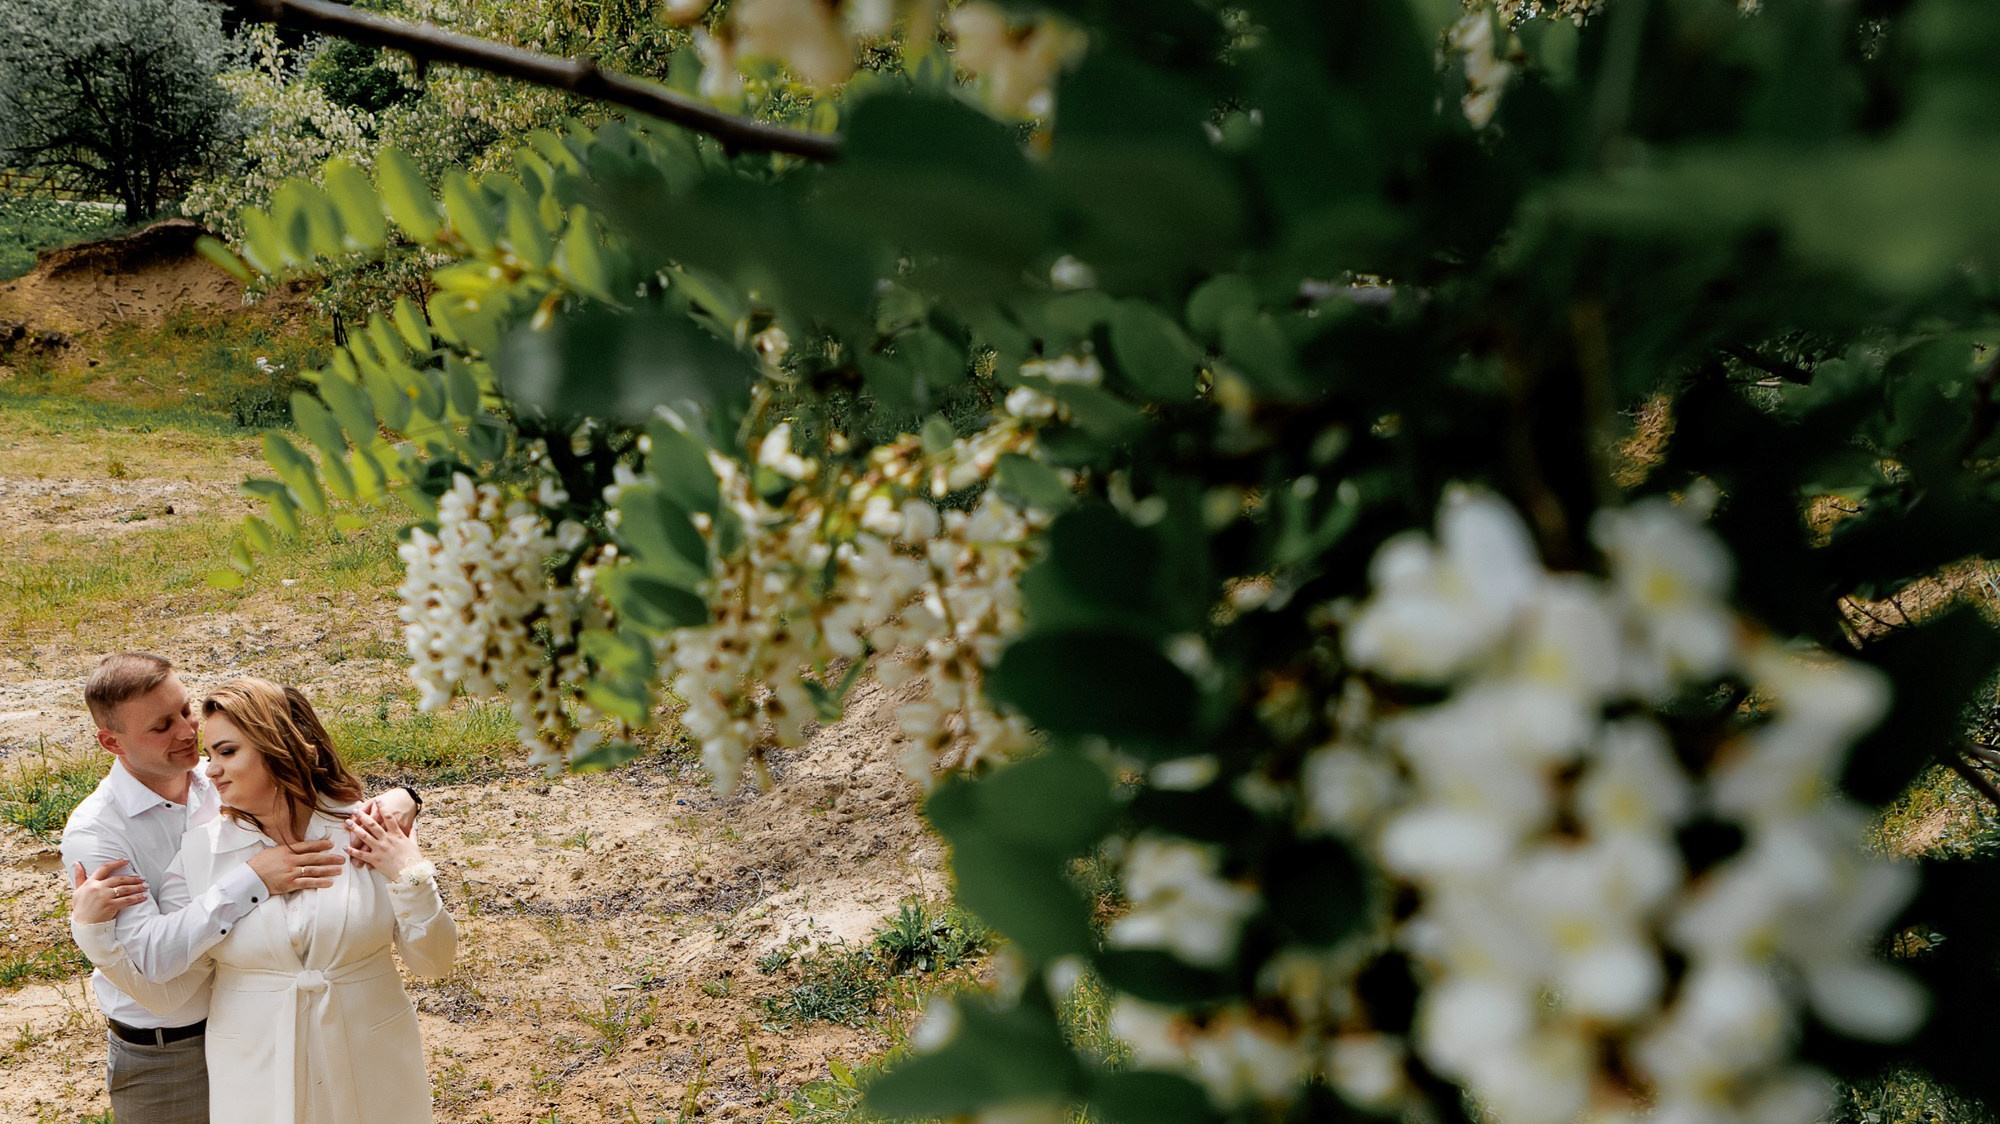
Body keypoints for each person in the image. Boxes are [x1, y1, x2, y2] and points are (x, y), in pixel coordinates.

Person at [62, 655, 418, 1123]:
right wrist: (254, 877)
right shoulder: (96, 834)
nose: (187, 732)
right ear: (112, 742)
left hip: (262, 1022)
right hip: (168, 1048)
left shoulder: (221, 777)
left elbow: (311, 779)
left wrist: (404, 797)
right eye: (162, 725)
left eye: (185, 711)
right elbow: (153, 957)